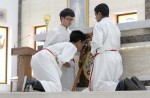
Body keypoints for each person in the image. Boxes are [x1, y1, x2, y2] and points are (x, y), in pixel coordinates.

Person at [22, 30, 88, 92]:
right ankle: (30, 83)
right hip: (45, 58)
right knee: (57, 86)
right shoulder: (72, 46)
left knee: (46, 85)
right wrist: (70, 64)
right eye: (83, 44)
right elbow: (62, 59)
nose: (83, 47)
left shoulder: (64, 44)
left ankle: (29, 87)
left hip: (35, 58)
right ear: (79, 42)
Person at [89, 3, 123, 91]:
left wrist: (92, 50)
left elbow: (97, 43)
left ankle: (123, 86)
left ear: (99, 14)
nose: (95, 18)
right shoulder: (115, 26)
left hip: (104, 56)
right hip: (116, 57)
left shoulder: (99, 25)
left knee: (98, 86)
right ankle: (121, 85)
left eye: (95, 15)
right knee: (113, 81)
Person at [43, 8, 76, 91]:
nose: (70, 21)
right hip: (57, 64)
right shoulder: (54, 31)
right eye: (68, 19)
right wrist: (61, 60)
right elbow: (46, 49)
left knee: (69, 87)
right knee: (59, 88)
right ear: (62, 18)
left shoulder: (70, 33)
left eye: (71, 19)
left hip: (68, 65)